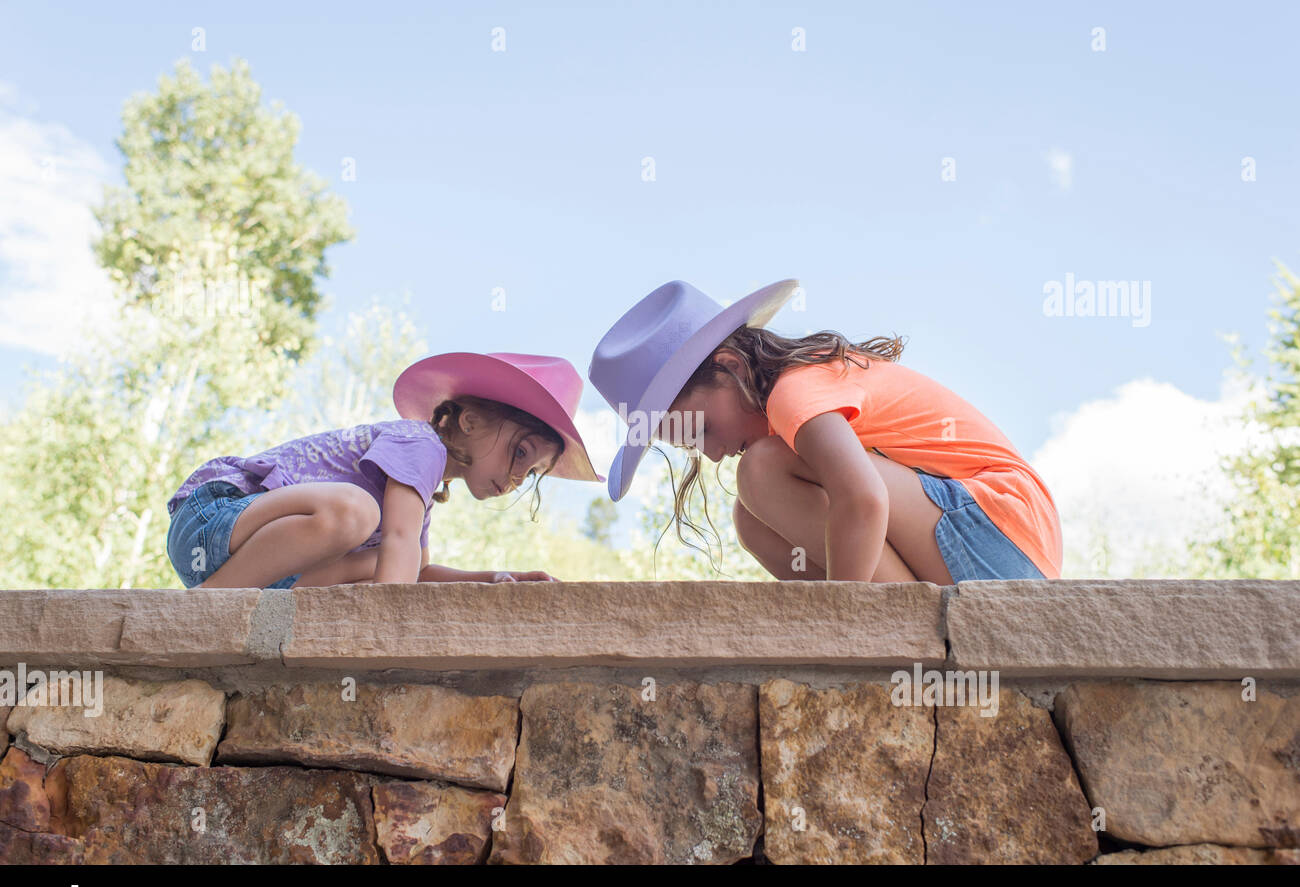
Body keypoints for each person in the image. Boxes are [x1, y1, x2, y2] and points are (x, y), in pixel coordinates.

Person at [588, 279, 1062, 584]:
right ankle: (891, 620)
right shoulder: (790, 407)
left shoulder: (795, 393)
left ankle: (866, 622)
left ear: (730, 367)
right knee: (751, 517)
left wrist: (841, 623)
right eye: (693, 445)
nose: (712, 455)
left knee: (762, 469)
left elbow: (863, 499)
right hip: (986, 552)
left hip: (1001, 536)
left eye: (704, 430)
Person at [165, 352, 602, 588]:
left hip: (262, 571)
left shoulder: (418, 503)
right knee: (357, 512)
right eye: (521, 453)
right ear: (469, 421)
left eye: (533, 473)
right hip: (215, 521)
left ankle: (221, 597)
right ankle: (213, 603)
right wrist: (387, 634)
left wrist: (496, 579)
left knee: (389, 556)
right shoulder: (420, 443)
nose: (518, 478)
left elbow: (415, 570)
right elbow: (398, 545)